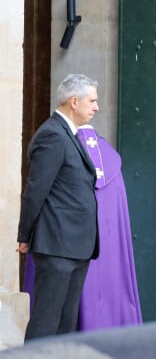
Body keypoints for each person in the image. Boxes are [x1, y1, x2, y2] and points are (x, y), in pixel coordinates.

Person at [23, 125, 143, 330]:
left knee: (49, 317)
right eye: (92, 101)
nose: (96, 107)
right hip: (88, 248)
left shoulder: (59, 144)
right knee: (60, 320)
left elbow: (36, 193)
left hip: (58, 244)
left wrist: (25, 234)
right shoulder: (106, 157)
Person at [17, 74, 100, 339]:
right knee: (46, 322)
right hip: (57, 246)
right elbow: (35, 190)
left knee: (65, 325)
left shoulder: (69, 134)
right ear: (73, 102)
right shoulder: (52, 135)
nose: (96, 107)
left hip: (75, 246)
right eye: (92, 101)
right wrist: (24, 235)